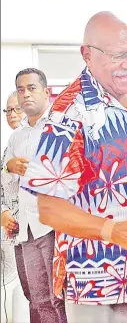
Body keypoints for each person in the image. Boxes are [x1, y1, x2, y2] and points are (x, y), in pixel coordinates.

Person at [20, 12, 127, 323]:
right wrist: (112, 230)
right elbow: (49, 208)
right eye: (119, 55)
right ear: (88, 55)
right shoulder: (68, 113)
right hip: (101, 283)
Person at [2, 69, 67, 323]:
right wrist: (9, 167)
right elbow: (5, 182)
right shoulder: (16, 138)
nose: (26, 94)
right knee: (38, 300)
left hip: (54, 226)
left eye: (32, 88)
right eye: (21, 90)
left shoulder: (60, 127)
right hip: (26, 229)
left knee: (58, 298)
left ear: (46, 92)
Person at [1, 91, 39, 322]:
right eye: (8, 110)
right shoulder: (8, 146)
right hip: (10, 233)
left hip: (35, 231)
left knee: (37, 296)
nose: (12, 114)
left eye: (17, 108)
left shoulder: (36, 140)